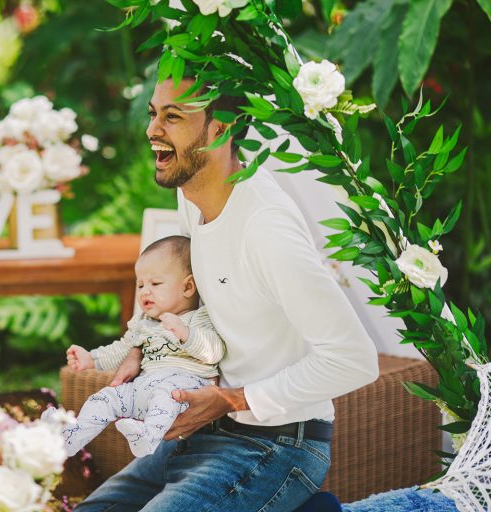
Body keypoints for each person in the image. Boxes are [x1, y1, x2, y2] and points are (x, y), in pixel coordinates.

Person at [74, 79, 379, 511]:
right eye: (153, 113)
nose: (152, 129)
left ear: (220, 129)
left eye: (173, 116)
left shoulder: (267, 229)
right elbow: (199, 298)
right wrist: (142, 346)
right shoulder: (193, 195)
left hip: (279, 443)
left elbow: (354, 359)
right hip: (206, 428)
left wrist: (231, 399)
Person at [46, 235, 225, 457]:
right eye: (140, 284)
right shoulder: (144, 324)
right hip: (142, 389)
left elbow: (214, 351)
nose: (144, 291)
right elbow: (122, 350)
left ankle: (147, 437)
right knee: (104, 398)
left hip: (183, 391)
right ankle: (69, 437)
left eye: (155, 284)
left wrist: (186, 334)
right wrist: (91, 359)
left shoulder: (197, 318)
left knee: (165, 394)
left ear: (188, 287)